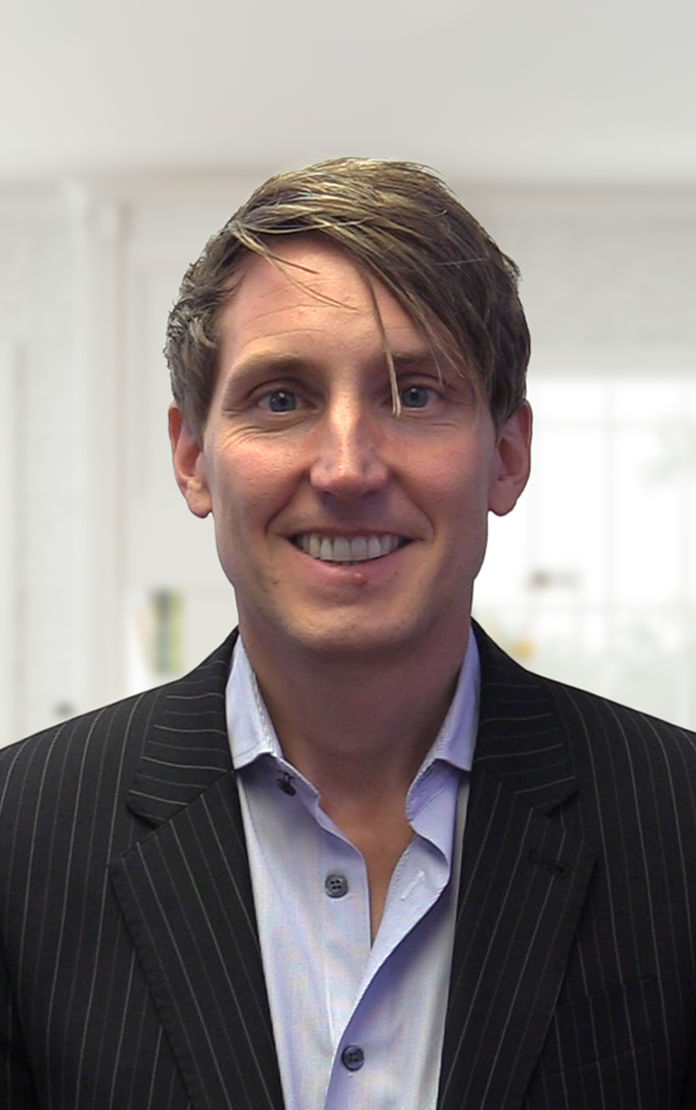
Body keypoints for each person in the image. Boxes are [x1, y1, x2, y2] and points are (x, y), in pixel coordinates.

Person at [1, 158, 695, 1110]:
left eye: (414, 394)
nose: (346, 468)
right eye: (281, 398)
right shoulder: (19, 838)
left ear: (507, 455)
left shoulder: (677, 828)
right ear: (193, 459)